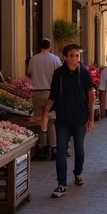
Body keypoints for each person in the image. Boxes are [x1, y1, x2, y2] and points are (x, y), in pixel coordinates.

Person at [42, 44, 95, 197]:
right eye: (71, 55)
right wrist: (45, 113)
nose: (74, 58)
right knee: (61, 152)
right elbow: (52, 96)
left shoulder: (83, 73)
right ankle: (61, 184)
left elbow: (91, 96)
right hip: (63, 119)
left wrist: (91, 119)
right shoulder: (58, 73)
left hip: (80, 119)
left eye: (77, 55)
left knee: (79, 149)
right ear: (65, 57)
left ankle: (78, 173)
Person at [27, 38, 61, 160]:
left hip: (37, 92)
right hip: (50, 93)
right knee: (51, 120)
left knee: (40, 120)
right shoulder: (55, 59)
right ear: (50, 46)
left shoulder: (34, 59)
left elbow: (29, 72)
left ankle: (44, 148)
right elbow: (60, 74)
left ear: (40, 46)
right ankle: (53, 148)